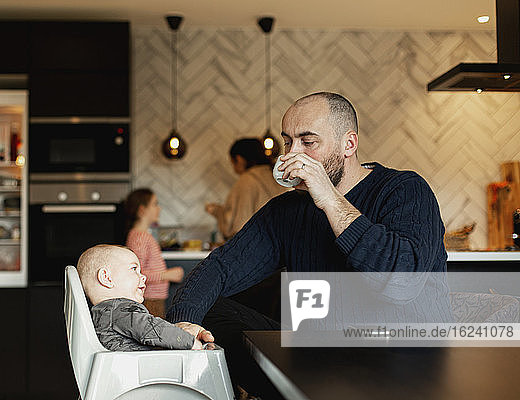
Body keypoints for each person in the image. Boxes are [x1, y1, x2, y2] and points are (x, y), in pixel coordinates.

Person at [167, 92, 451, 397]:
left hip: (405, 362)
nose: (292, 155)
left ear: (349, 144)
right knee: (209, 311)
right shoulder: (288, 210)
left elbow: (401, 282)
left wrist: (329, 199)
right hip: (322, 360)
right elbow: (220, 267)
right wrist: (182, 325)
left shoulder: (405, 189)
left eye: (308, 142)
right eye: (288, 142)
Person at [76, 244, 205, 351]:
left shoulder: (102, 313)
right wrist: (190, 342)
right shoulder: (120, 310)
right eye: (134, 269)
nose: (143, 276)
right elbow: (153, 329)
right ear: (107, 278)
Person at [205, 138, 288, 240]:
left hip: (257, 245)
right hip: (281, 240)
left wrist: (216, 211)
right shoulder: (276, 175)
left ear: (239, 159)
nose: (234, 169)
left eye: (233, 163)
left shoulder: (247, 180)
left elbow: (235, 225)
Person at [123, 188, 184, 318]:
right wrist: (167, 275)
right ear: (142, 210)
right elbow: (137, 273)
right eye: (155, 204)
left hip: (154, 299)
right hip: (149, 301)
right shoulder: (139, 238)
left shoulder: (142, 236)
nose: (159, 208)